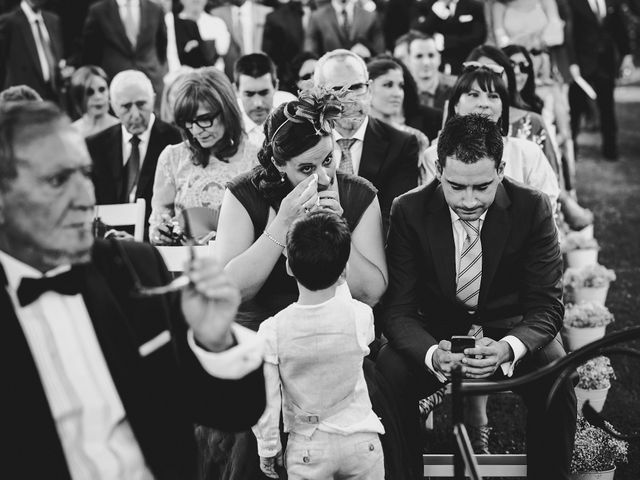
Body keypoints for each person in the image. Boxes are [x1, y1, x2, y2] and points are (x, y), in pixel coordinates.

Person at [1, 100, 266, 479]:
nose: (84, 198)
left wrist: (216, 343)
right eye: (57, 180)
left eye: (85, 174)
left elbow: (233, 412)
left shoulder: (132, 269)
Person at [213, 89, 411, 480]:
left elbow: (371, 293)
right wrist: (280, 224)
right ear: (277, 161)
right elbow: (231, 293)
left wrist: (342, 231)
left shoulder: (356, 193)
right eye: (307, 168)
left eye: (328, 160)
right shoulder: (244, 195)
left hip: (334, 343)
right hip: (262, 341)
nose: (322, 177)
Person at [379, 113, 577, 479]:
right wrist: (431, 354)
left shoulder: (532, 207)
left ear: (501, 169)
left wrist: (508, 348)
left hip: (510, 327)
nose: (468, 200)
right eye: (456, 186)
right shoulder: (408, 210)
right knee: (388, 373)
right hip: (436, 331)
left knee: (557, 375)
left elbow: (547, 306)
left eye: (482, 187)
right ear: (438, 169)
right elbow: (398, 309)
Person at [253, 211, 385, 480]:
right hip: (361, 440)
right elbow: (361, 330)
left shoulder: (272, 331)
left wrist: (268, 447)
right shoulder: (360, 316)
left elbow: (265, 398)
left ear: (289, 266)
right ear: (345, 270)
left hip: (309, 446)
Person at [423, 64, 560, 209]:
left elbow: (546, 203)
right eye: (473, 95)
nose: (484, 104)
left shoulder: (528, 153)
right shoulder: (433, 156)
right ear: (455, 104)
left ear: (503, 107)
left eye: (493, 96)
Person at [150, 67, 259, 246]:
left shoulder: (256, 158)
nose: (196, 130)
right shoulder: (172, 157)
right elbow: (157, 220)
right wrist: (159, 233)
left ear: (227, 112)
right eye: (189, 122)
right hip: (184, 263)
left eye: (204, 119)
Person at [313, 49, 420, 229]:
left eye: (356, 87)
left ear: (369, 89)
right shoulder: (306, 142)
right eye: (338, 90)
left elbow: (397, 220)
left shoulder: (401, 145)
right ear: (319, 95)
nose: (350, 99)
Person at [87, 70, 181, 242]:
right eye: (126, 107)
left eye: (141, 104)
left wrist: (141, 238)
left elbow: (178, 212)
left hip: (154, 246)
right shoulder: (95, 147)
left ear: (153, 99)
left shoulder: (176, 142)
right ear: (112, 106)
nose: (135, 115)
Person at [568, 0, 633, 161]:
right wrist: (573, 62)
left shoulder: (612, 2)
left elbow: (620, 29)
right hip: (582, 65)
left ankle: (610, 148)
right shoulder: (575, 3)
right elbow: (570, 34)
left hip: (605, 64)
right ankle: (572, 149)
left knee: (607, 107)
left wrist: (627, 55)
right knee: (576, 108)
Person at [366, 56, 440, 185]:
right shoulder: (356, 135)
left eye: (401, 86)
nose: (397, 93)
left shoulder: (416, 138)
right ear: (368, 88)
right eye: (388, 85)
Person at [81, 0, 168, 108]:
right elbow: (90, 50)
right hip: (115, 85)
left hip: (151, 82)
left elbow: (162, 45)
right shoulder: (99, 10)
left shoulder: (155, 9)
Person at [0, 0, 65, 102]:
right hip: (24, 99)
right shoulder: (9, 22)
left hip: (53, 96)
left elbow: (56, 55)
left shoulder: (53, 20)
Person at [234, 53, 296, 146]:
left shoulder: (291, 107)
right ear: (236, 90)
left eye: (264, 93)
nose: (258, 103)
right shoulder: (228, 120)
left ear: (276, 86)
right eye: (249, 94)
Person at [411, 0, 487, 75]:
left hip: (465, 60)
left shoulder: (475, 6)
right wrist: (435, 12)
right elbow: (417, 33)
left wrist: (446, 41)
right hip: (438, 63)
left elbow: (478, 38)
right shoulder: (427, 5)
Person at [305, 0, 385, 58]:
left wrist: (368, 52)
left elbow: (380, 52)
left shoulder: (370, 16)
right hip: (330, 74)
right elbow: (310, 54)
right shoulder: (317, 17)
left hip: (361, 73)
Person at [403, 30, 457, 110]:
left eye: (431, 55)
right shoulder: (401, 90)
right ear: (408, 60)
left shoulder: (456, 86)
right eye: (419, 56)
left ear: (439, 58)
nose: (426, 62)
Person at [69, 65, 119, 138]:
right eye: (90, 92)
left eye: (102, 89)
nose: (98, 97)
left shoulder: (121, 129)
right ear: (79, 96)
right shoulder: (71, 133)